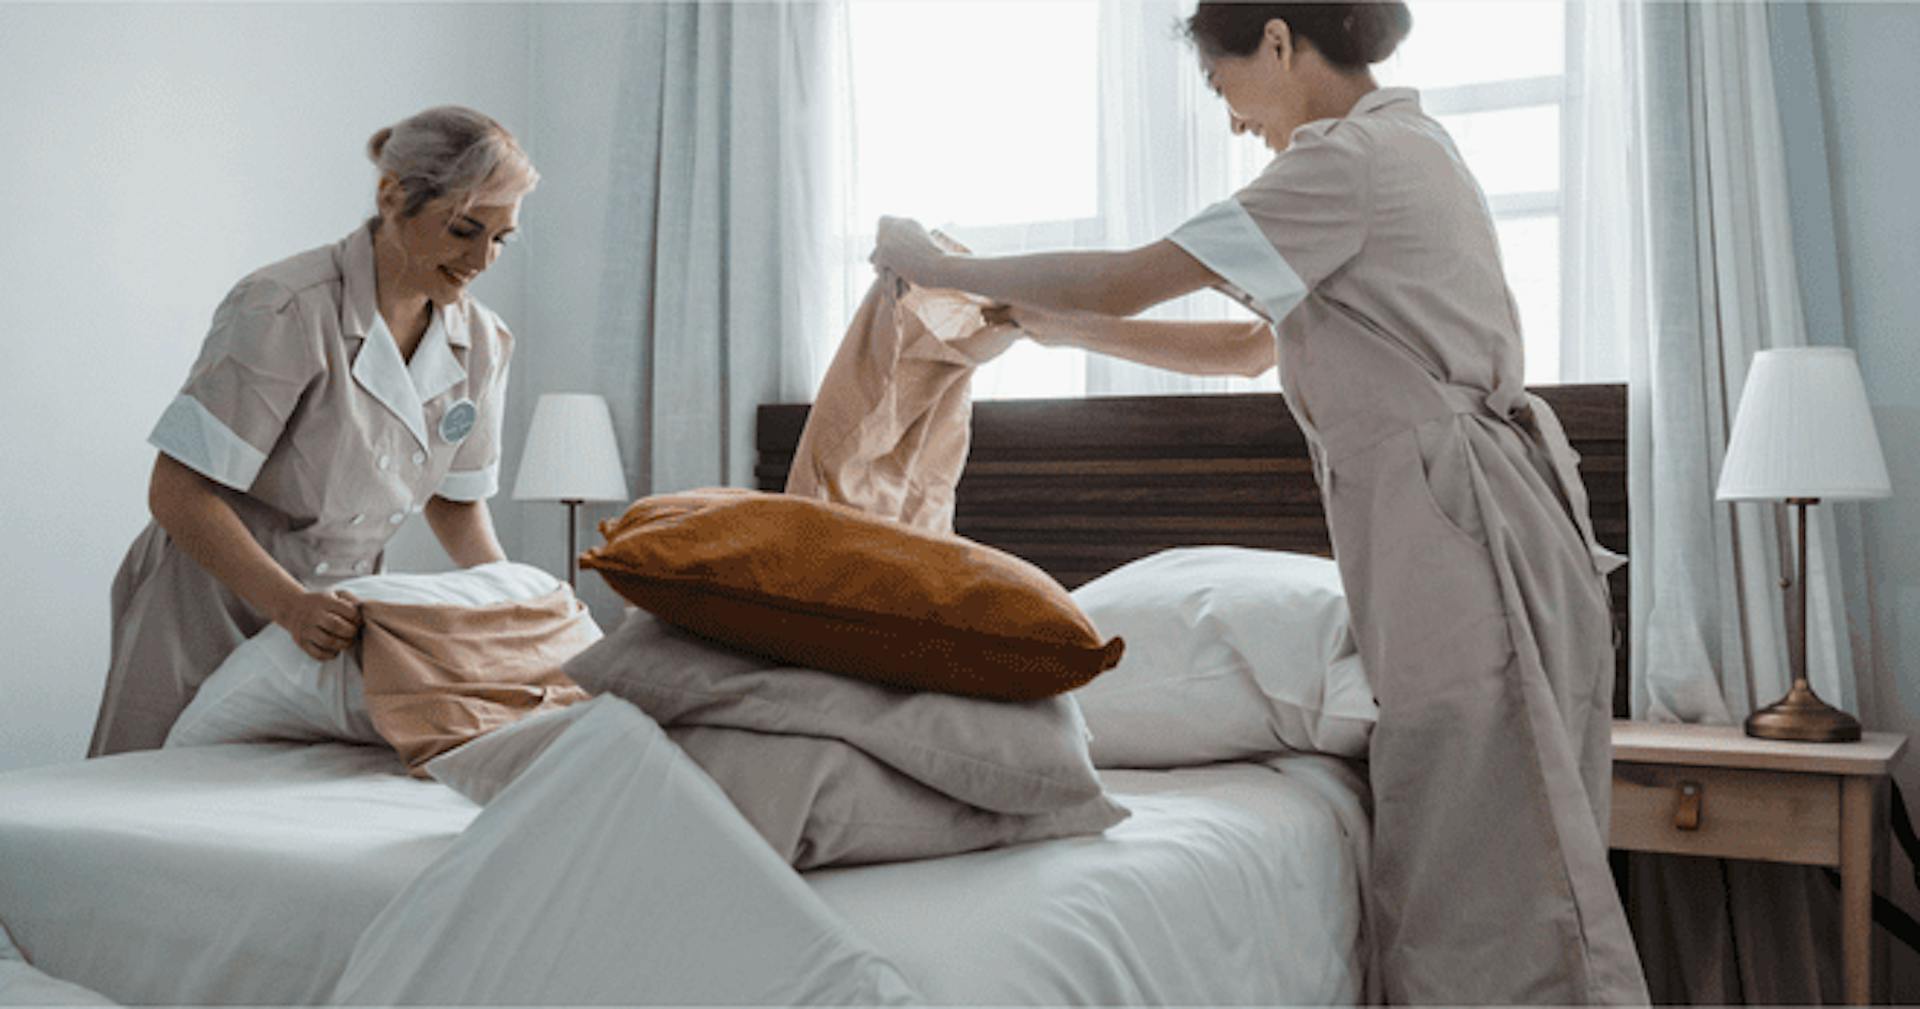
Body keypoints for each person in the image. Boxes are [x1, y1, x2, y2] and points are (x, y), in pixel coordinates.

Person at [871, 4, 1649, 1003]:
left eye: (1223, 84)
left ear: (1277, 42)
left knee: (1482, 871)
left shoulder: (1342, 164)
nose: (1234, 121)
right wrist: (1054, 331)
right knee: (1496, 849)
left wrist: (933, 264)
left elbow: (1134, 276)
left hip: (1459, 530)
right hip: (1468, 519)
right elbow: (1248, 350)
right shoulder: (1402, 151)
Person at [90, 106, 536, 757]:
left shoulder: (483, 342)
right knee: (140, 798)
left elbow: (457, 502)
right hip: (210, 602)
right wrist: (290, 605)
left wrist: (513, 606)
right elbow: (178, 491)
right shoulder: (286, 307)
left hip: (333, 612)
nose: (483, 259)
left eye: (502, 238)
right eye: (465, 229)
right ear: (392, 198)